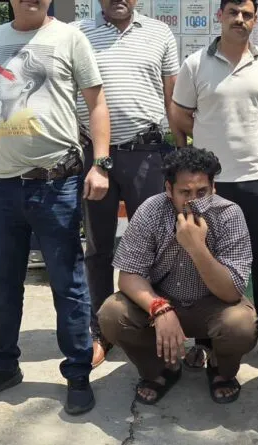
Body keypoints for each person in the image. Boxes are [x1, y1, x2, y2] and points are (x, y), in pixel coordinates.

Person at [0, 0, 111, 415]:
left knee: (68, 285)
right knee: (3, 284)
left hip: (57, 183)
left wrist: (101, 164)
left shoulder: (69, 38)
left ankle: (77, 372)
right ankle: (1, 367)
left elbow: (96, 103)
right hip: (2, 186)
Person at [170, 0, 258, 367]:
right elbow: (180, 115)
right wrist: (201, 151)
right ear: (219, 16)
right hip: (211, 185)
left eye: (247, 14)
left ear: (255, 19)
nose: (240, 19)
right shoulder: (195, 65)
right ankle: (206, 339)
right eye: (233, 12)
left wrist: (252, 141)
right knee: (205, 257)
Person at [97, 146, 258, 405]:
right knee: (112, 313)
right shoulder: (152, 210)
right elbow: (128, 275)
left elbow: (232, 292)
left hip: (213, 304)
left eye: (202, 192)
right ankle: (160, 369)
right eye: (185, 192)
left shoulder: (229, 214)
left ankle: (220, 368)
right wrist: (160, 308)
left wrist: (196, 247)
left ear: (213, 187)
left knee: (241, 324)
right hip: (163, 297)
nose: (193, 201)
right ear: (169, 190)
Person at [71, 0, 181, 368]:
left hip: (147, 155)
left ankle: (156, 321)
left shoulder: (159, 33)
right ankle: (102, 327)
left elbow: (171, 98)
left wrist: (182, 152)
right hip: (94, 158)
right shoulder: (78, 34)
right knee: (98, 246)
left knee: (157, 245)